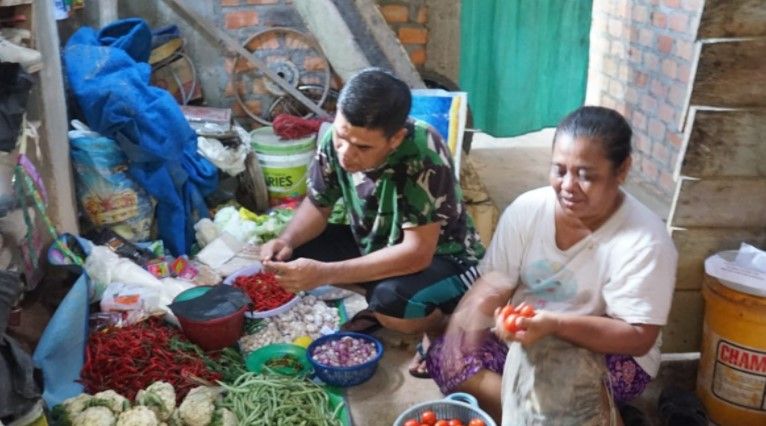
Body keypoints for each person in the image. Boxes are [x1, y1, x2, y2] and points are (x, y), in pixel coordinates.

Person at [426, 106, 677, 424]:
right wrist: (463, 330)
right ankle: (556, 414)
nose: (568, 186)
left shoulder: (644, 239)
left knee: (552, 383)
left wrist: (555, 325)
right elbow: (495, 281)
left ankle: (559, 411)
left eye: (585, 175)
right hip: (531, 332)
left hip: (611, 349)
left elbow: (639, 335)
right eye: (560, 170)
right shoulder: (528, 209)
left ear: (622, 170)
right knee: (447, 359)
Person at [260, 68, 485, 376]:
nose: (346, 154)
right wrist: (286, 241)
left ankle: (442, 327)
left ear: (396, 138)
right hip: (377, 242)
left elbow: (417, 252)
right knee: (294, 255)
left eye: (363, 147)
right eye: (341, 136)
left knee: (391, 302)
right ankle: (381, 293)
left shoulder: (422, 152)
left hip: (445, 256)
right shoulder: (335, 141)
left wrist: (325, 273)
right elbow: (318, 205)